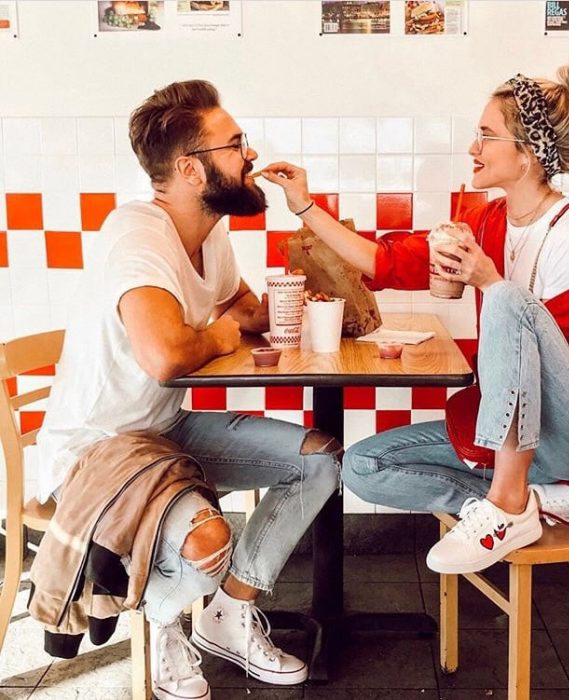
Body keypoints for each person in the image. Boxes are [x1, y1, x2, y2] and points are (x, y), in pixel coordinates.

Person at [261, 48, 569, 575]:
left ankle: (511, 501)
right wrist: (303, 205)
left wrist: (490, 281)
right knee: (364, 466)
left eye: (486, 136)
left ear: (527, 153)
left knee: (507, 298)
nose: (473, 147)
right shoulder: (488, 222)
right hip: (509, 430)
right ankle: (530, 505)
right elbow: (385, 262)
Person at [36, 80, 342, 699]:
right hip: (102, 452)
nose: (249, 155)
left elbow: (241, 308)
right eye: (235, 146)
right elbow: (167, 357)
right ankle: (164, 623)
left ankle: (227, 616)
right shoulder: (137, 235)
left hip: (163, 432)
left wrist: (284, 301)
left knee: (318, 461)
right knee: (208, 540)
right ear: (189, 170)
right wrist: (227, 331)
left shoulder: (208, 230)